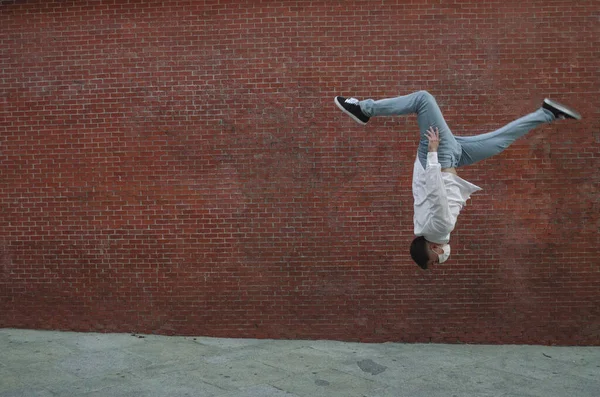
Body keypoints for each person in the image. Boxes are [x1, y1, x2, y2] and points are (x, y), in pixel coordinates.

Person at [334, 91, 581, 269]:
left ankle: (363, 109)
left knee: (423, 99)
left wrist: (432, 152)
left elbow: (434, 192)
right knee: (498, 143)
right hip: (452, 158)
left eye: (435, 260)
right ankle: (547, 113)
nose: (441, 259)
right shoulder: (426, 228)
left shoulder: (439, 229)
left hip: (439, 158)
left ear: (434, 250)